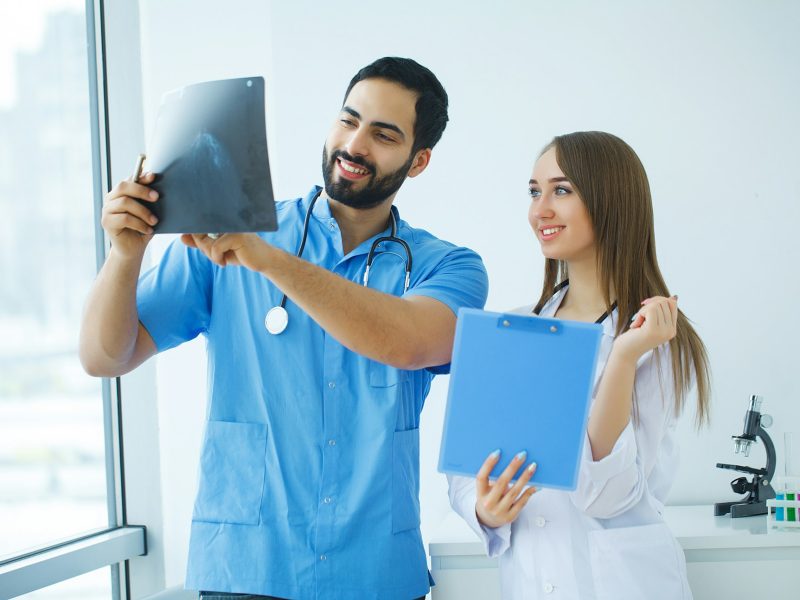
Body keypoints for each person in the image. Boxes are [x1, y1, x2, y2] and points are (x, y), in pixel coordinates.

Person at [80, 57, 489, 600]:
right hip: (246, 567)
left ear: (418, 162)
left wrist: (270, 260)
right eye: (349, 120)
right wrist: (125, 254)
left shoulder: (448, 267)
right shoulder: (225, 240)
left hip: (375, 573)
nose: (355, 145)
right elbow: (105, 357)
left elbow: (410, 342)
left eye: (384, 135)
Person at [447, 131, 710, 600]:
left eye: (561, 190)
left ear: (610, 200)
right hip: (529, 581)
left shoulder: (656, 336)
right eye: (534, 191)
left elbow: (607, 496)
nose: (539, 210)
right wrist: (485, 510)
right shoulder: (514, 328)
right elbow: (467, 467)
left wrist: (625, 355)